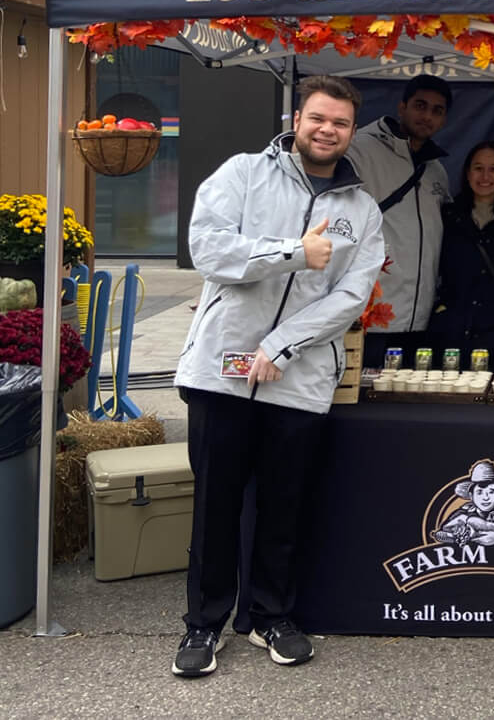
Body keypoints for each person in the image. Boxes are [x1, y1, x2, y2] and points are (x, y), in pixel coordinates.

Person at [171, 75, 384, 678]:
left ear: (350, 132)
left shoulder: (361, 209)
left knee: (284, 505)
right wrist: (293, 251)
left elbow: (351, 296)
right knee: (215, 505)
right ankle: (203, 625)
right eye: (319, 118)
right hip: (222, 370)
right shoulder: (243, 173)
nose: (327, 130)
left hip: (299, 376)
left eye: (340, 123)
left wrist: (282, 345)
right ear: (297, 118)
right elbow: (207, 248)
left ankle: (272, 615)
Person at [347, 74, 453, 367]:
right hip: (370, 316)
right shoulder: (359, 151)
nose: (427, 116)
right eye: (420, 105)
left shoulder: (436, 171)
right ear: (402, 106)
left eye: (437, 110)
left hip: (421, 318)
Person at [429, 141, 494, 371]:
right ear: (467, 173)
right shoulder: (449, 213)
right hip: (453, 330)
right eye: (478, 168)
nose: (485, 176)